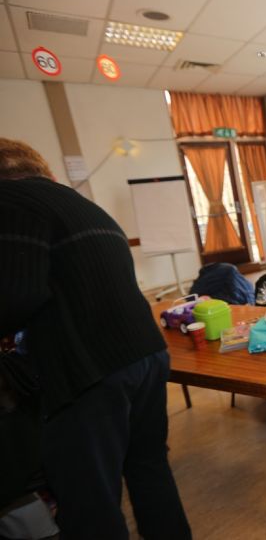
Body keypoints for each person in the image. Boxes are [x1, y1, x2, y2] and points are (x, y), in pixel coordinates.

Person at [0, 138, 191, 539]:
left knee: (90, 499)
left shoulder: (10, 201)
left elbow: (16, 296)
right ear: (44, 171)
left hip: (89, 370)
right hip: (147, 353)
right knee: (149, 466)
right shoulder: (83, 205)